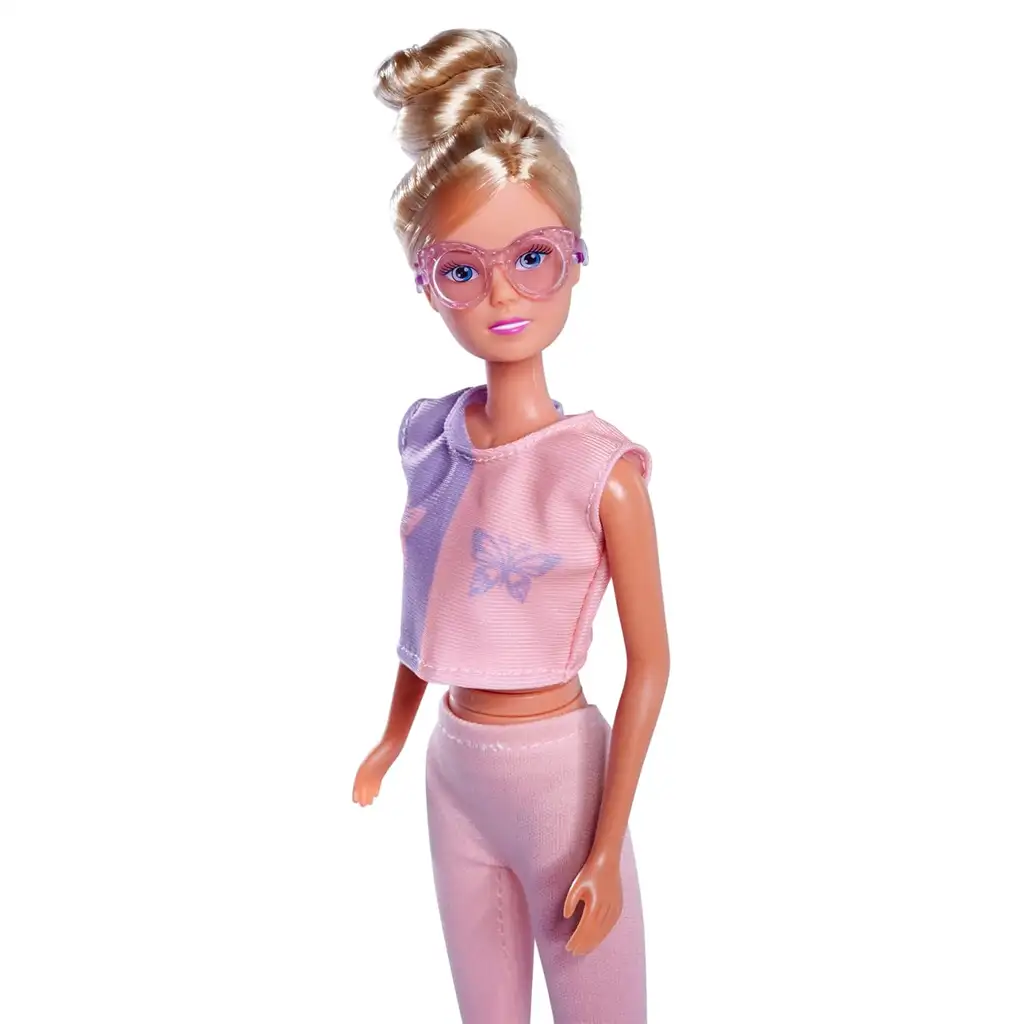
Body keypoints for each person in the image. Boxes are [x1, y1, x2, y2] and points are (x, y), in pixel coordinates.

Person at [353, 28, 670, 1024]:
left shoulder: (600, 472)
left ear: (575, 260)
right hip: (453, 769)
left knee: (600, 1006)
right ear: (426, 282)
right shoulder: (430, 439)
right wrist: (394, 734)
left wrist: (606, 844)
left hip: (559, 779)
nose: (500, 295)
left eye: (533, 259)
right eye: (462, 270)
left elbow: (652, 664)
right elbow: (426, 608)